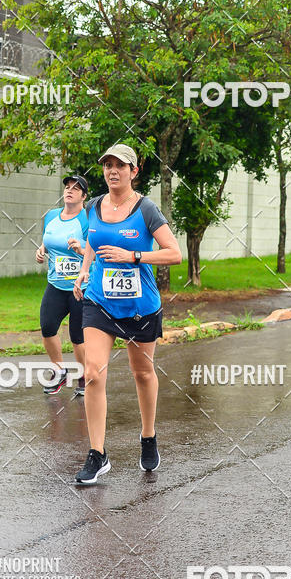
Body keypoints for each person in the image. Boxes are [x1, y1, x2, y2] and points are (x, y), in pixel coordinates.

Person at [72, 144, 182, 484]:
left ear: (134, 171)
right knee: (93, 373)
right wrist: (84, 270)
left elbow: (174, 253)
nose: (112, 170)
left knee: (143, 374)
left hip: (139, 308)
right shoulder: (93, 206)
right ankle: (97, 453)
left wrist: (133, 257)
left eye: (120, 165)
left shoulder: (146, 209)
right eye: (107, 165)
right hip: (100, 301)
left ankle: (148, 436)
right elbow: (93, 239)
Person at [36, 175, 90, 396]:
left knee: (78, 337)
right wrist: (41, 250)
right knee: (47, 327)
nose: (69, 191)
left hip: (80, 287)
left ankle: (85, 378)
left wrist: (81, 247)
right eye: (67, 187)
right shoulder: (51, 216)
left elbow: (96, 249)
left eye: (76, 189)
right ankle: (59, 371)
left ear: (84, 196)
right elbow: (48, 240)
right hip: (56, 284)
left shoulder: (88, 218)